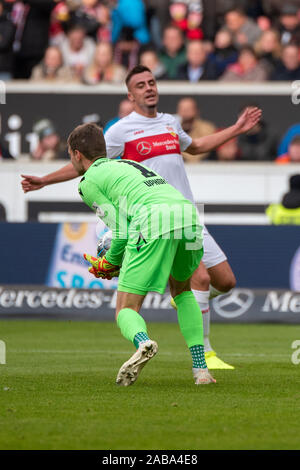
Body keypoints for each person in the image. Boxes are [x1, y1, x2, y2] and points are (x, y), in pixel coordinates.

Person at [21, 65, 262, 370]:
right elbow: (90, 162)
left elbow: (197, 146)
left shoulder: (170, 122)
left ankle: (174, 327)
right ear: (130, 94)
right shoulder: (121, 130)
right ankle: (206, 357)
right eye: (140, 85)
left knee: (225, 281)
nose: (149, 88)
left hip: (185, 210)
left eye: (151, 82)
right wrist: (45, 179)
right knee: (195, 280)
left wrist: (237, 129)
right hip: (153, 220)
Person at [67, 121, 215, 386]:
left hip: (153, 220)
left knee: (125, 308)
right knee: (183, 291)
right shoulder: (130, 164)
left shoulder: (88, 182)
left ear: (77, 154)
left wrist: (108, 263)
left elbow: (122, 232)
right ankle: (201, 370)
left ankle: (143, 342)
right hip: (189, 216)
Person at [176, 97, 217, 162]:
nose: (185, 112)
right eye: (182, 109)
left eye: (188, 109)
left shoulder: (207, 128)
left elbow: (205, 148)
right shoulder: (172, 129)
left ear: (196, 111)